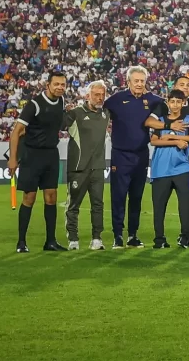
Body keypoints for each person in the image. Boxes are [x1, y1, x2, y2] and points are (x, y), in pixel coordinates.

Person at [104, 66, 164, 248]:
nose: (139, 84)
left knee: (136, 197)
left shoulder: (153, 100)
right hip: (120, 155)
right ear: (127, 82)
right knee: (118, 196)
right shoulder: (116, 100)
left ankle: (132, 235)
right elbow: (98, 110)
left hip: (141, 155)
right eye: (136, 81)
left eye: (142, 81)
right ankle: (117, 236)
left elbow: (174, 102)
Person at [10, 70, 68, 253]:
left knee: (51, 197)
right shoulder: (34, 104)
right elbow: (16, 132)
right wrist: (13, 159)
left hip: (51, 154)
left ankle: (50, 241)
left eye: (63, 84)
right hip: (32, 155)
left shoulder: (61, 101)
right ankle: (21, 242)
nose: (60, 87)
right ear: (48, 85)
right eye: (56, 84)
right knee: (29, 197)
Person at [148, 89, 189, 249]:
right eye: (172, 101)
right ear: (168, 103)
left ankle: (185, 237)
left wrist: (172, 137)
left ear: (183, 103)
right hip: (161, 168)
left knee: (185, 205)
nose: (175, 104)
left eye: (179, 101)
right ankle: (159, 239)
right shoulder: (161, 121)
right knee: (159, 206)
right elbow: (154, 141)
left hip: (182, 167)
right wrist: (175, 142)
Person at [64, 81, 110, 251]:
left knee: (98, 205)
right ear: (87, 95)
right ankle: (73, 239)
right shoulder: (75, 113)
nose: (99, 98)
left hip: (98, 167)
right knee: (73, 205)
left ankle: (97, 239)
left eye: (102, 94)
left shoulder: (106, 113)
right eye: (96, 94)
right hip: (78, 167)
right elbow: (60, 125)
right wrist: (64, 111)